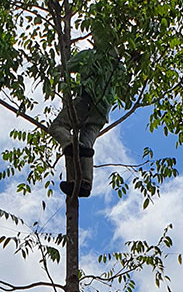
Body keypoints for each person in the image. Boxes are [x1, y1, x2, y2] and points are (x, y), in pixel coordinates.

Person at [49, 42, 126, 199]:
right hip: (102, 111)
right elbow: (124, 87)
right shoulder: (118, 67)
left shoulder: (89, 55)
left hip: (86, 100)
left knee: (57, 127)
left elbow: (64, 68)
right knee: (86, 146)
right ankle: (84, 183)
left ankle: (70, 145)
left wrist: (59, 70)